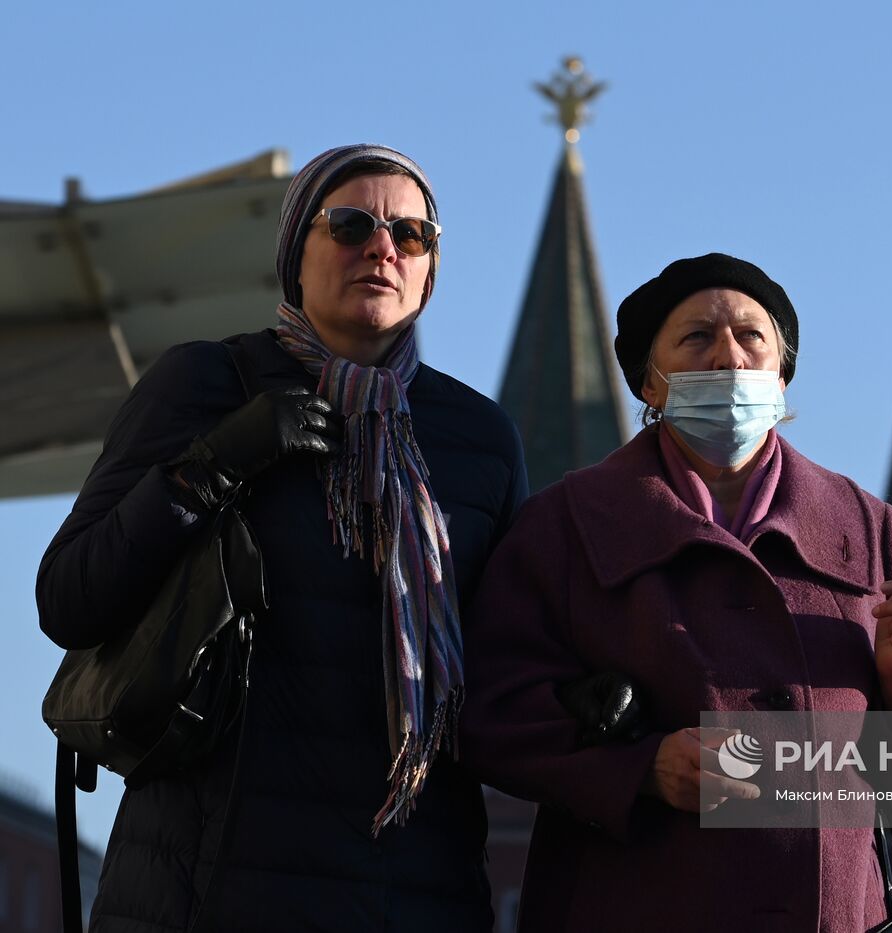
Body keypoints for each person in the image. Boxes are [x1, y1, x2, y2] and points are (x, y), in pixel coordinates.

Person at [36, 144, 526, 932]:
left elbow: (508, 665)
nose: (382, 247)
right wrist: (215, 463)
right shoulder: (204, 384)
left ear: (430, 273)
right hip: (210, 890)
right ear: (295, 256)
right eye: (351, 223)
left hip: (415, 890)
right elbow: (71, 597)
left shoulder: (480, 439)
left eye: (412, 234)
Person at [462, 252, 892, 932]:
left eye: (750, 336)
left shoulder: (869, 527)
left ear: (782, 373)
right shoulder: (566, 525)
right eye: (697, 337)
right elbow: (488, 709)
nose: (729, 357)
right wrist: (642, 767)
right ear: (650, 384)